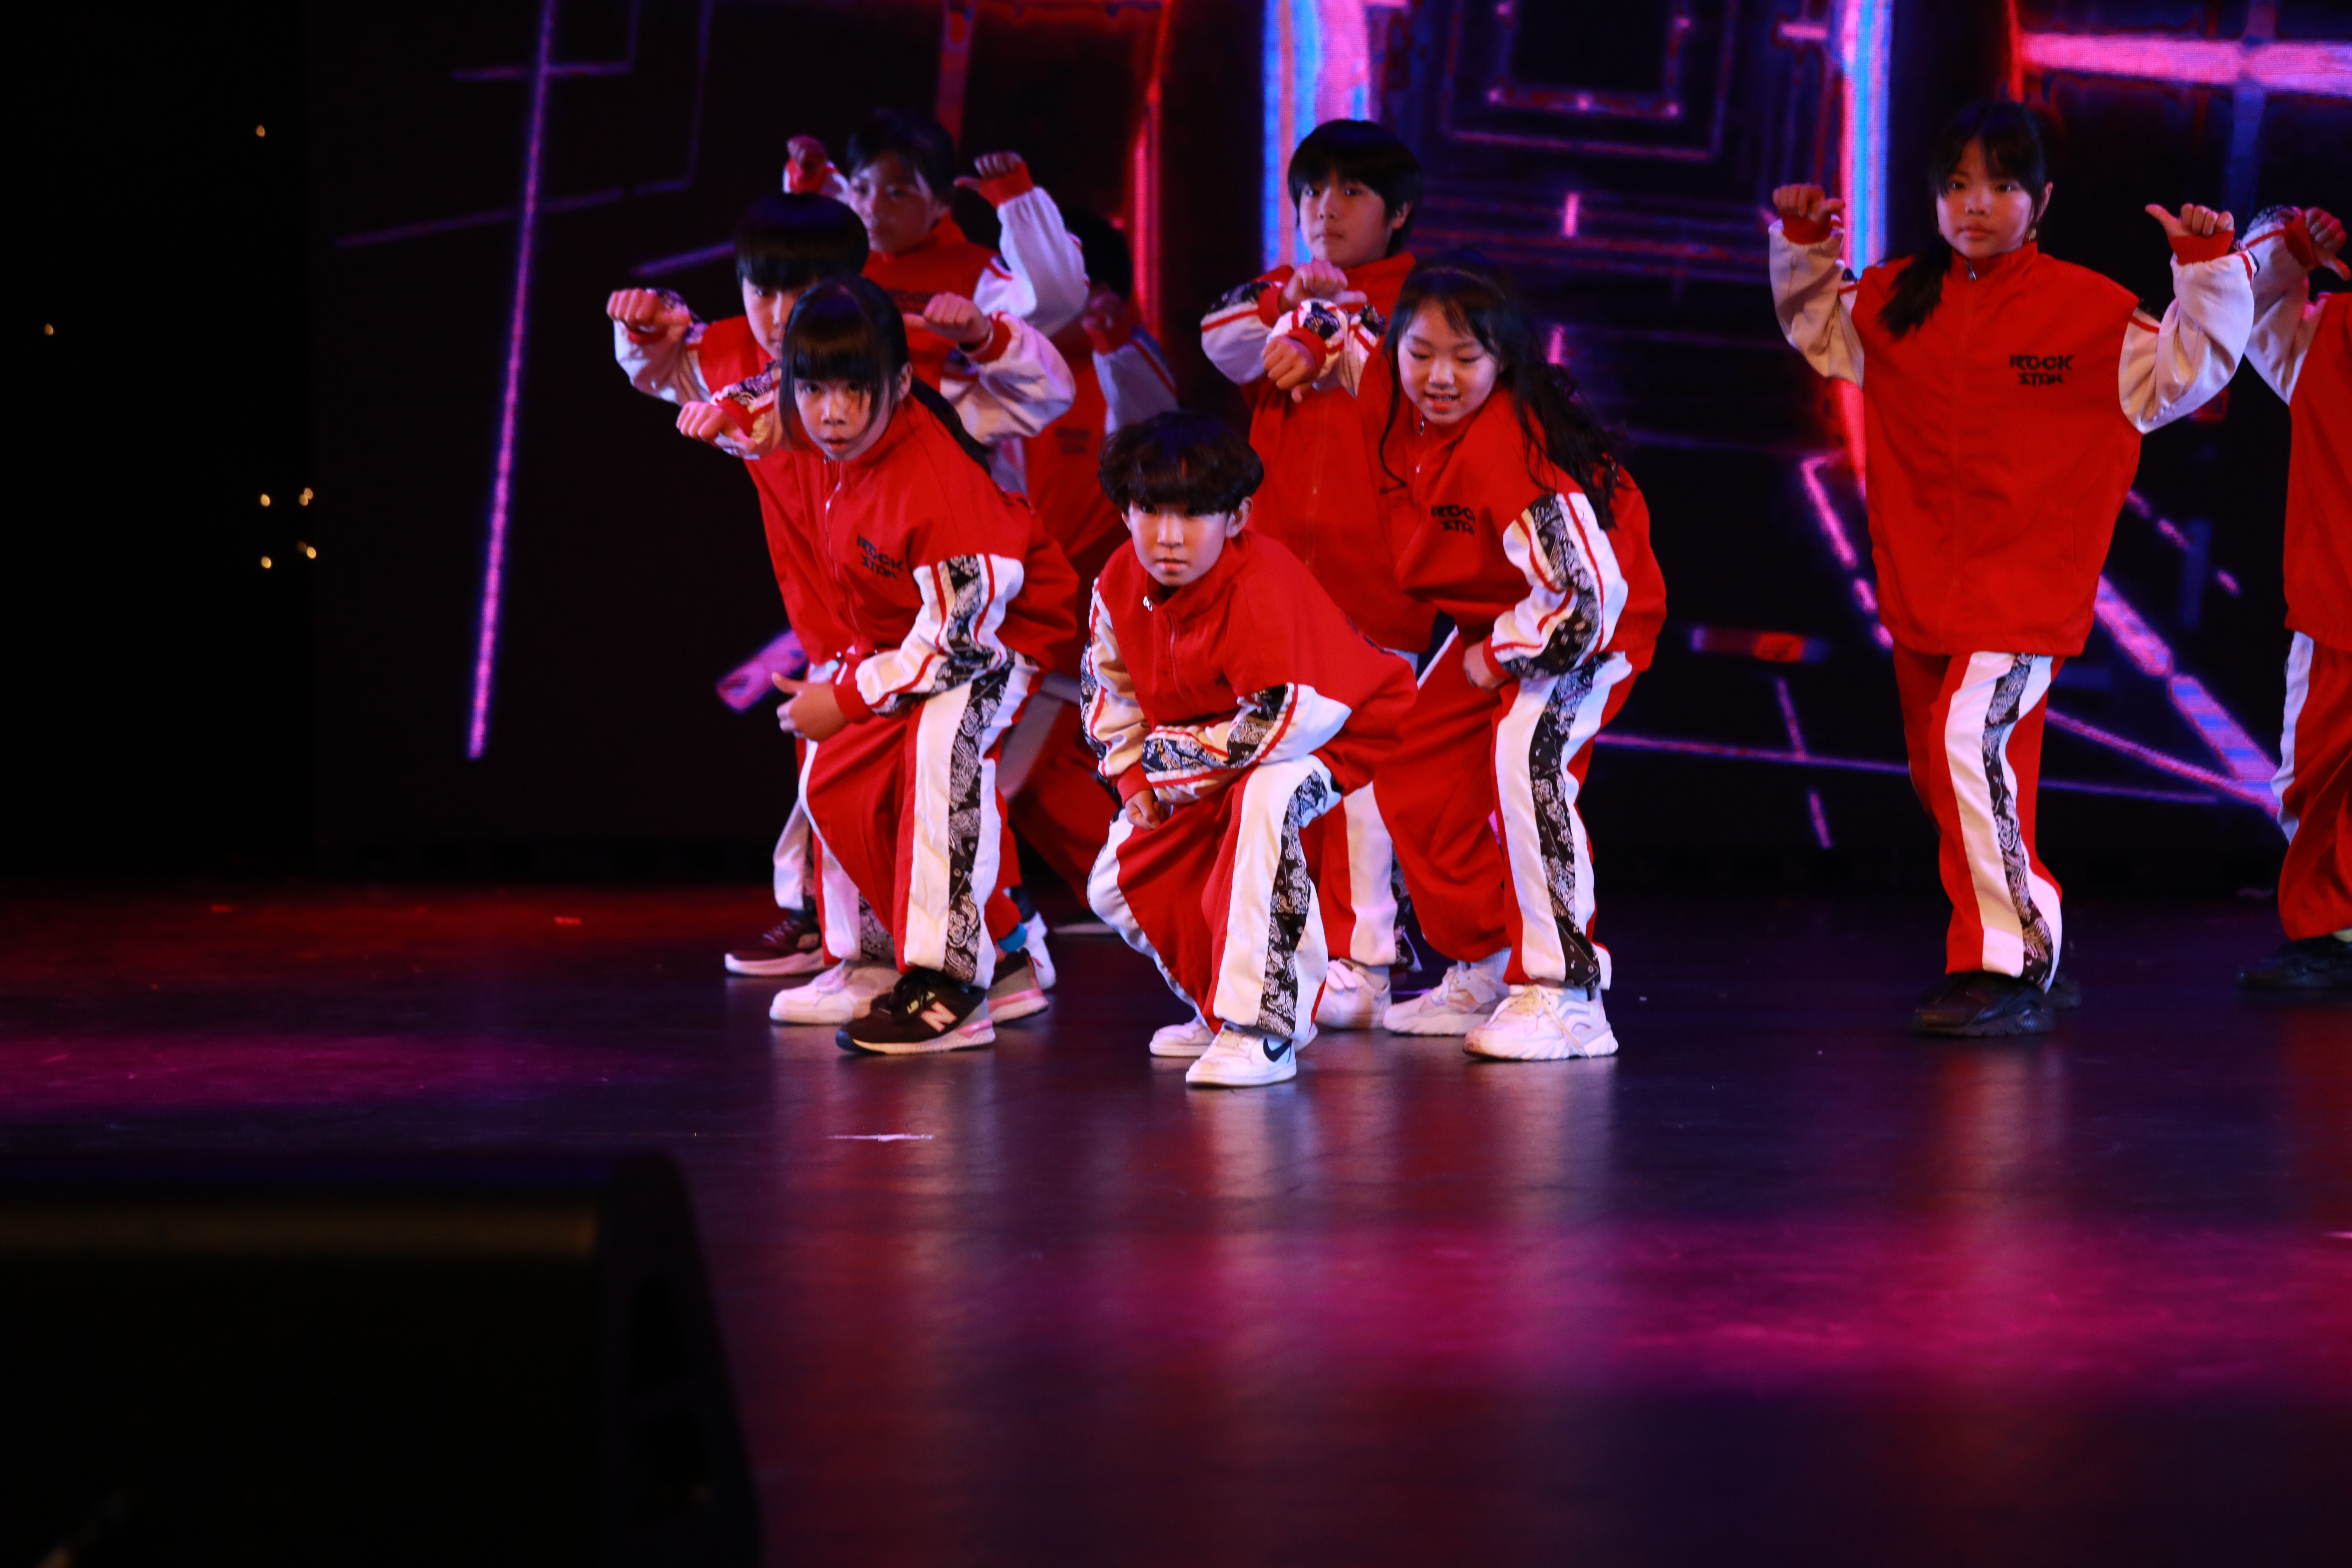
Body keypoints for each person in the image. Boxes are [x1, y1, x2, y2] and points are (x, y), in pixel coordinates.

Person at [1769, 99, 2254, 1036]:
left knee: (1967, 750)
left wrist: (2206, 274)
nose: (1976, 204)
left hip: (2027, 594)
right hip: (1922, 593)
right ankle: (2024, 945)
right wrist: (1801, 239)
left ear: (2043, 199)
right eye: (1956, 187)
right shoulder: (1899, 299)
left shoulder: (2090, 313)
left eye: (1999, 184)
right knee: (1950, 773)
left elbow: (2192, 377)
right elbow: (1815, 327)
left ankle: (2006, 965)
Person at [607, 193, 1074, 1007]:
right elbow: (705, 387)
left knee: (937, 768)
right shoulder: (759, 371)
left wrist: (982, 336)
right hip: (857, 630)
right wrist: (646, 338)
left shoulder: (899, 372)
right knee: (837, 783)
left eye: (804, 295)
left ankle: (975, 962)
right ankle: (872, 952)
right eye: (763, 292)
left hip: (959, 622)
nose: (781, 317)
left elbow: (1042, 394)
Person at [1284, 256, 1666, 1059]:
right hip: (1497, 614)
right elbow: (1340, 333)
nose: (1441, 377)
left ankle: (1568, 995)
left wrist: (1496, 660)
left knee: (1529, 761)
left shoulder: (1511, 453)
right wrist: (1306, 319)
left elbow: (1587, 598)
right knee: (1409, 765)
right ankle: (1490, 961)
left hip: (1585, 623)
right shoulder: (1390, 387)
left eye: (1467, 358)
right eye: (1421, 353)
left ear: (1504, 361)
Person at [1082, 411, 1414, 1087]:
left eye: (1196, 513)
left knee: (1269, 798)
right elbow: (1109, 687)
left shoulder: (1261, 584)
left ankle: (1264, 1028)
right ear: (1124, 513)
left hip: (1343, 735)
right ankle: (1219, 1007)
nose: (1169, 536)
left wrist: (1165, 765)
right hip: (1216, 760)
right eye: (1150, 509)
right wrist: (1133, 782)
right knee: (1117, 878)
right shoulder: (1118, 580)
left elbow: (1286, 718)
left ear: (1237, 517)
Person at [1200, 118, 1436, 1032]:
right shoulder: (1274, 290)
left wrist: (1333, 322)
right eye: (1311, 193)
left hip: (1379, 566)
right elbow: (1221, 341)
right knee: (1276, 762)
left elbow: (1412, 387)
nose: (1324, 211)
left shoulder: (1419, 300)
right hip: (1277, 569)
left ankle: (1368, 957)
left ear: (1398, 212)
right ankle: (1285, 953)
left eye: (1350, 194)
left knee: (1367, 769)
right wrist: (1291, 307)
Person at [996, 208, 1181, 900]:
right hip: (1026, 600)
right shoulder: (1015, 366)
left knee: (1010, 766)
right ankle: (1132, 886)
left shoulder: (1122, 357)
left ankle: (1138, 888)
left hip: (1092, 607)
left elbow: (1156, 421)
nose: (1026, 295)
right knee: (1032, 767)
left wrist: (1113, 343)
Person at [2237, 205, 2352, 990]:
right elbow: (2233, 308)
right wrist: (2291, 245)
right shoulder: (2325, 335)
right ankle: (2333, 935)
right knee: (2313, 785)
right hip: (2337, 611)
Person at [789, 111, 1089, 388]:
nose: (873, 209)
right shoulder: (841, 258)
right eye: (862, 189)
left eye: (897, 194)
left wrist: (1020, 205)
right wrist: (812, 187)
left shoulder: (973, 276)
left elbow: (1054, 300)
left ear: (943, 203)